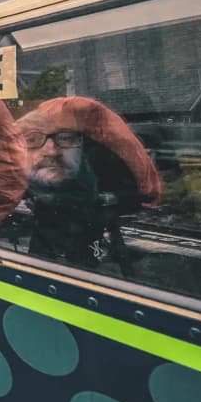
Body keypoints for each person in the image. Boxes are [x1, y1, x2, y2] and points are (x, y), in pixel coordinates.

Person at [17, 96, 161, 271]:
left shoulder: (100, 167)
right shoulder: (39, 173)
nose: (51, 151)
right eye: (34, 140)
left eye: (66, 138)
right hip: (63, 245)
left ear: (86, 148)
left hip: (85, 248)